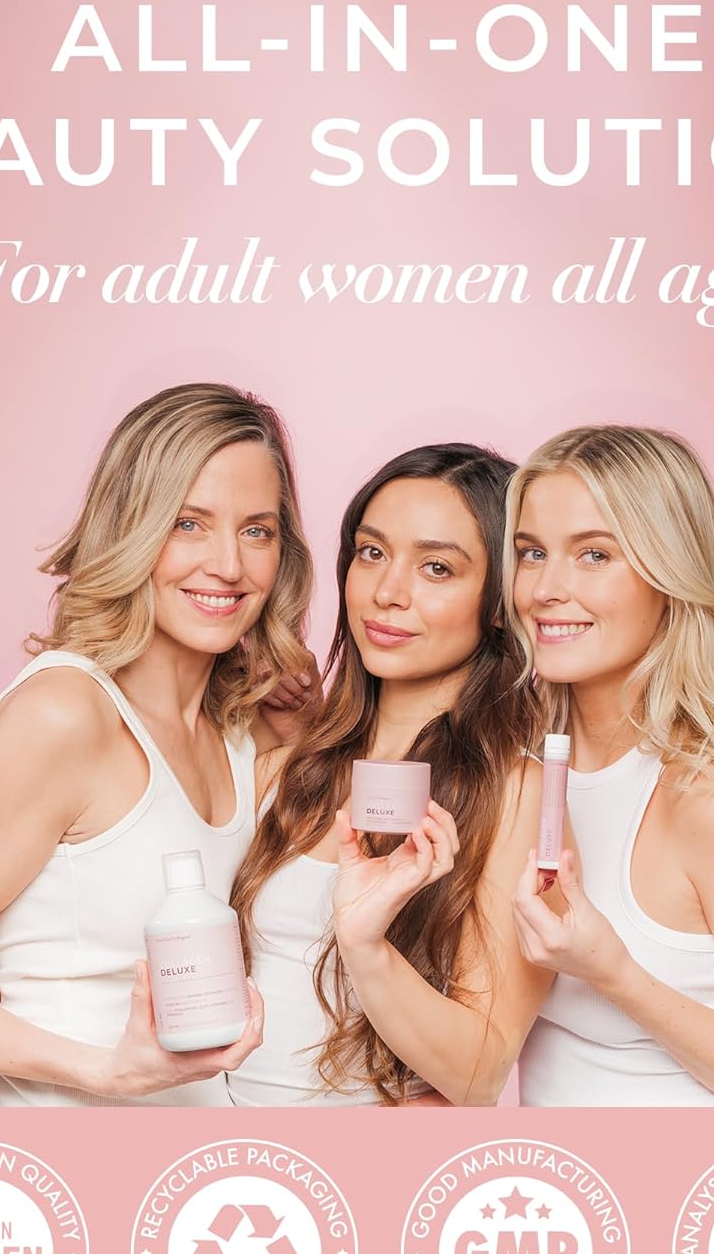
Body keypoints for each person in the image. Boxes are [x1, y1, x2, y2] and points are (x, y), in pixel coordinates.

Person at [0, 383, 313, 1104]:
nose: (229, 565)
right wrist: (108, 1072)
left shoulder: (246, 732)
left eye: (256, 531)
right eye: (189, 524)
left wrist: (303, 719)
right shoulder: (65, 714)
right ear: (130, 527)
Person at [506, 426, 714, 1107]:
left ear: (670, 574)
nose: (547, 588)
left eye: (595, 554)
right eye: (532, 552)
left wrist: (614, 974)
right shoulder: (521, 764)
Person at [227, 444, 552, 1105]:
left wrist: (366, 946)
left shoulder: (512, 791)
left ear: (498, 602)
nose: (387, 592)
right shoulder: (289, 754)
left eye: (437, 567)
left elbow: (480, 1071)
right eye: (372, 553)